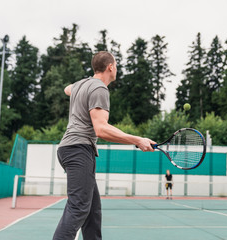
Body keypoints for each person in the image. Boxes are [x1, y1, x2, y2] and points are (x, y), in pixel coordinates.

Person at [53, 51, 156, 240]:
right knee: (78, 208)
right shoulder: (99, 88)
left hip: (70, 149)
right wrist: (138, 140)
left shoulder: (82, 84)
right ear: (110, 67)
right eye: (116, 65)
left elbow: (67, 89)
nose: (116, 68)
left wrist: (77, 89)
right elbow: (101, 129)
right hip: (78, 149)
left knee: (92, 210)